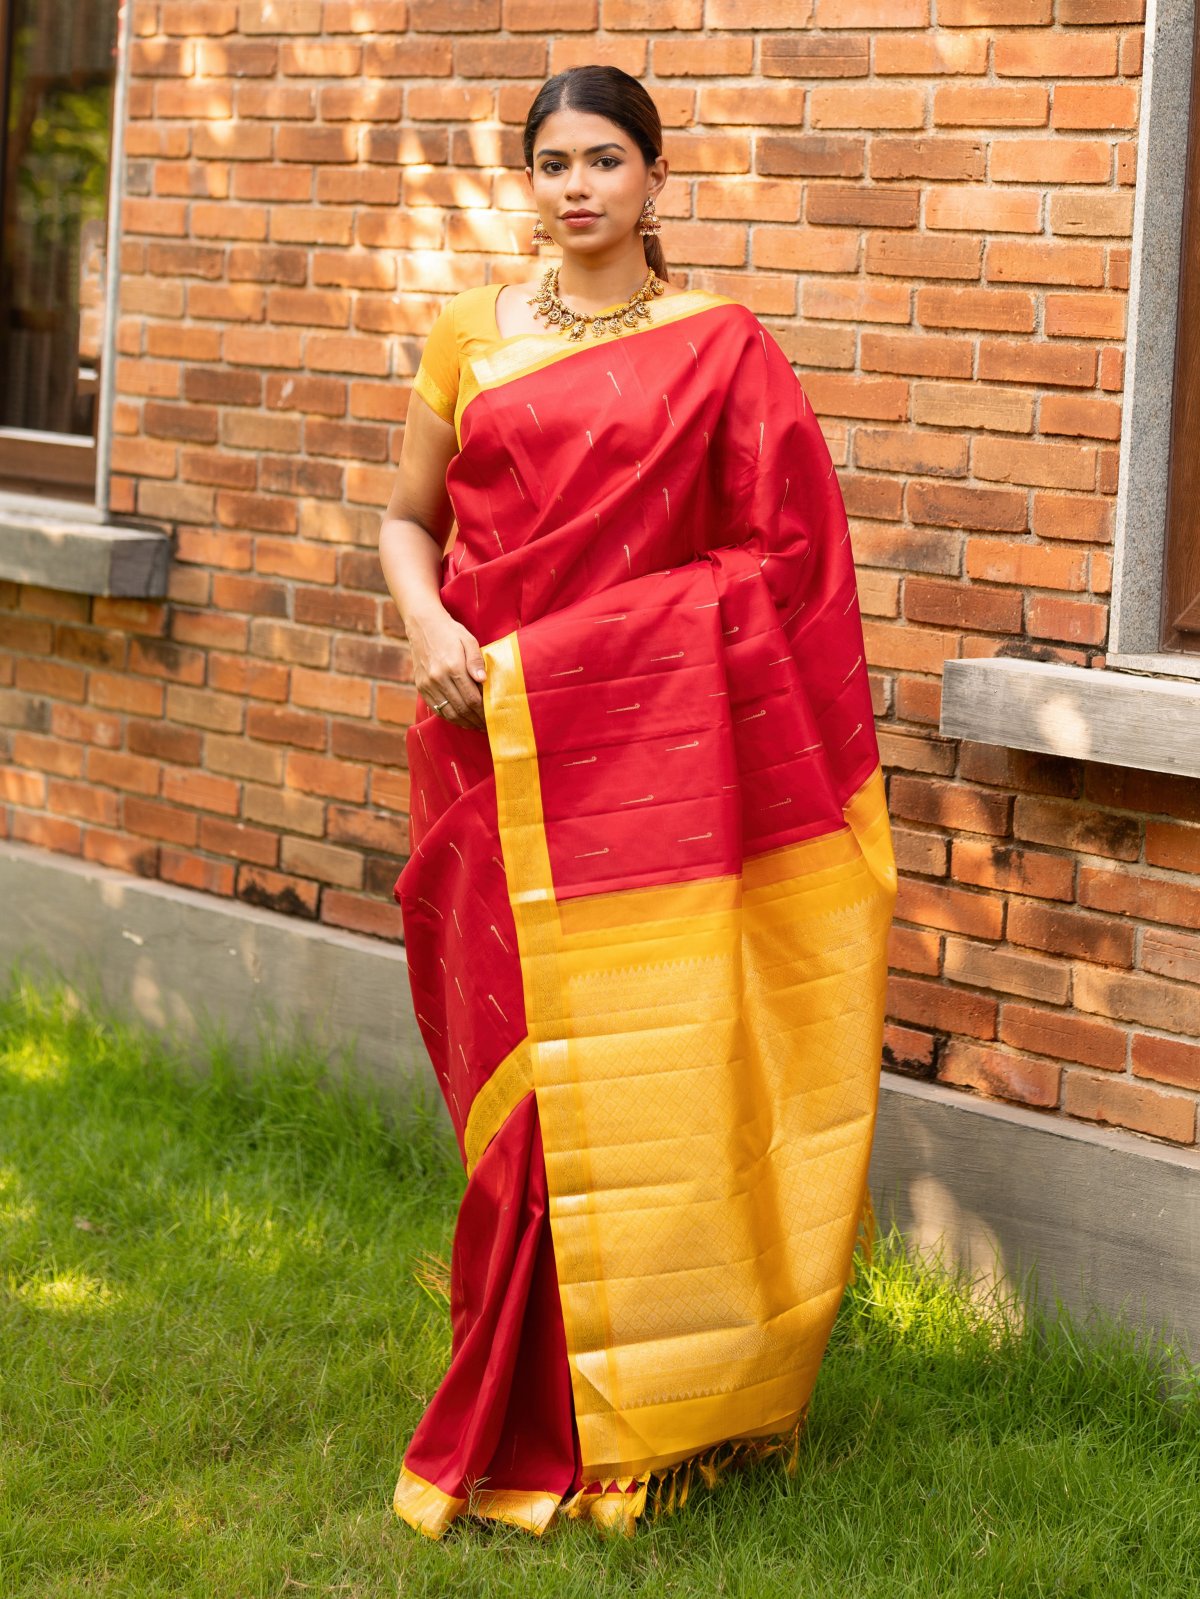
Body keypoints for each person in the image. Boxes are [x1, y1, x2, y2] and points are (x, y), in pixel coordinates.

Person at [377, 63, 897, 1540]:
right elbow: (409, 521)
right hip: (490, 749)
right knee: (521, 1080)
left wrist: (595, 658)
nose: (578, 186)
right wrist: (427, 625)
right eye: (553, 162)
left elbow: (786, 570)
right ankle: (517, 1378)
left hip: (657, 770)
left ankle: (666, 1410)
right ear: (527, 181)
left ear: (658, 181)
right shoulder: (469, 337)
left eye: (607, 159)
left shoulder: (719, 352)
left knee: (660, 1061)